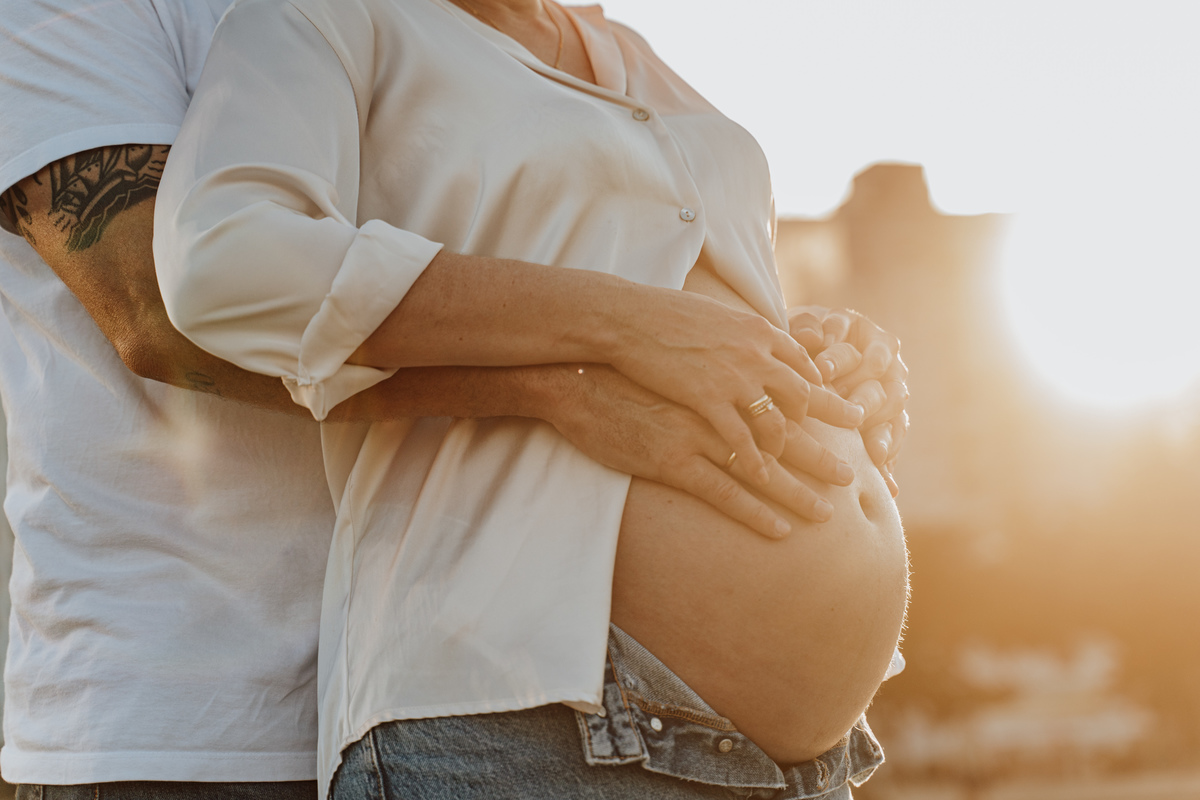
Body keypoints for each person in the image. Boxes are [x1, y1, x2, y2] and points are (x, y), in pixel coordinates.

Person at [0, 0, 904, 797]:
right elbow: (163, 311)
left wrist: (797, 357)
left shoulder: (592, 48)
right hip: (192, 715)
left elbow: (596, 282)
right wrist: (569, 384)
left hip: (654, 701)